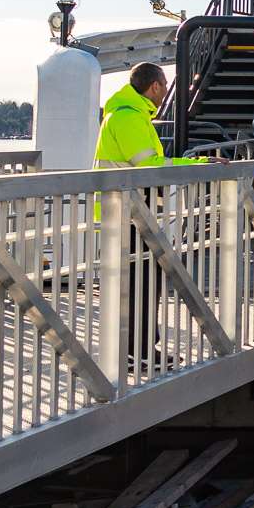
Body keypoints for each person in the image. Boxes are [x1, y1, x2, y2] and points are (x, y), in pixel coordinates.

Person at [94, 63, 217, 373]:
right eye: (164, 84)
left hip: (130, 210)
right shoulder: (128, 118)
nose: (165, 91)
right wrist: (198, 164)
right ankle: (137, 352)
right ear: (155, 87)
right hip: (127, 213)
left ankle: (143, 348)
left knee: (144, 282)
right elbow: (150, 166)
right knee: (141, 284)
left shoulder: (131, 114)